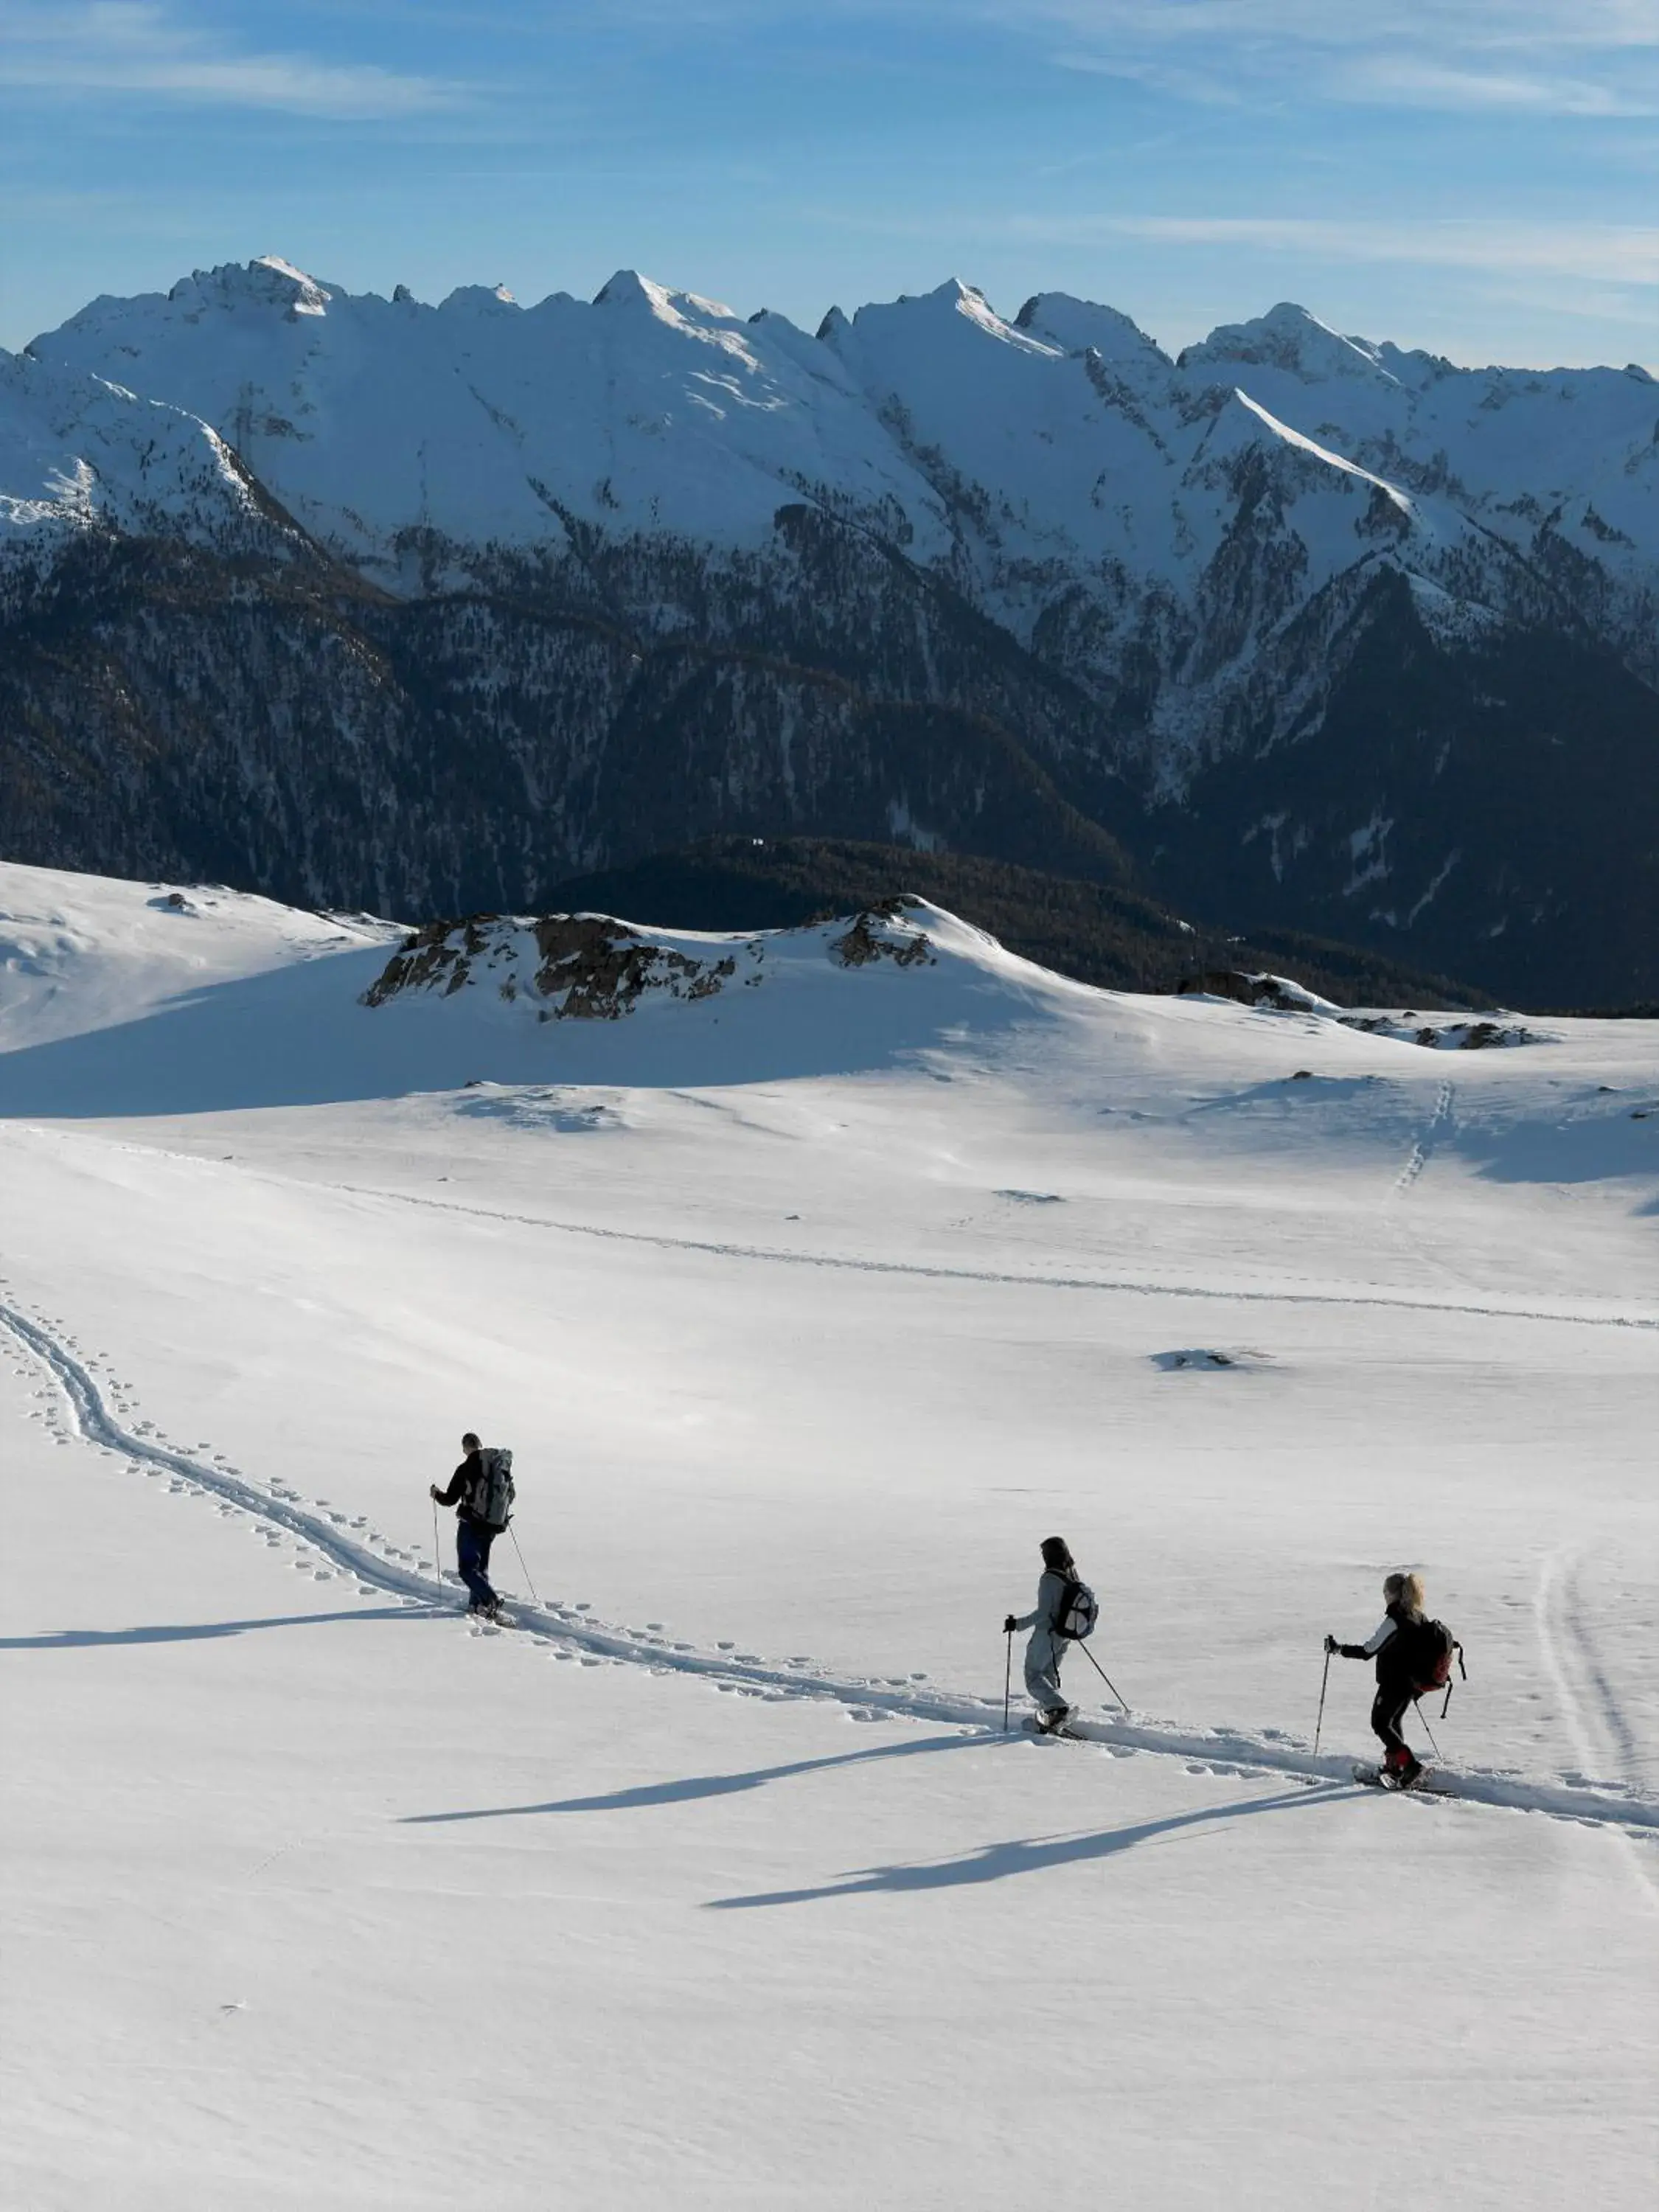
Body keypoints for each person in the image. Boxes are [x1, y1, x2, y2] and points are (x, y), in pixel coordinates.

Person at [1327, 1569, 1427, 1785]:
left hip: (1394, 1682)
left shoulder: (1395, 1620)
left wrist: (1338, 1649)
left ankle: (1410, 1766)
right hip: (1411, 1683)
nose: (1384, 1595)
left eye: (1385, 1591)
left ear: (1392, 1594)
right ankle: (1395, 1767)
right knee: (1392, 1722)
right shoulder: (1417, 1615)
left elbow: (1368, 1651)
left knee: (1380, 1724)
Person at [1004, 1535, 1079, 1733]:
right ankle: (1051, 1714)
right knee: (1047, 1674)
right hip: (1064, 1635)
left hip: (1047, 1634)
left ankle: (1058, 1709)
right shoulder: (1070, 1574)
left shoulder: (1049, 1579)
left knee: (1033, 1677)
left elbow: (1043, 1612)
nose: (1043, 1556)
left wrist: (1017, 1624)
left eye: (1044, 1553)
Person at [430, 1431, 502, 1620]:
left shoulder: (466, 1468)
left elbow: (450, 1499)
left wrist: (436, 1494)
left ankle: (490, 1600)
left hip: (471, 1524)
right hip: (491, 1525)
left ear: (465, 1447)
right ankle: (476, 1605)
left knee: (467, 1569)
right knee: (481, 1568)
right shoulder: (495, 1467)